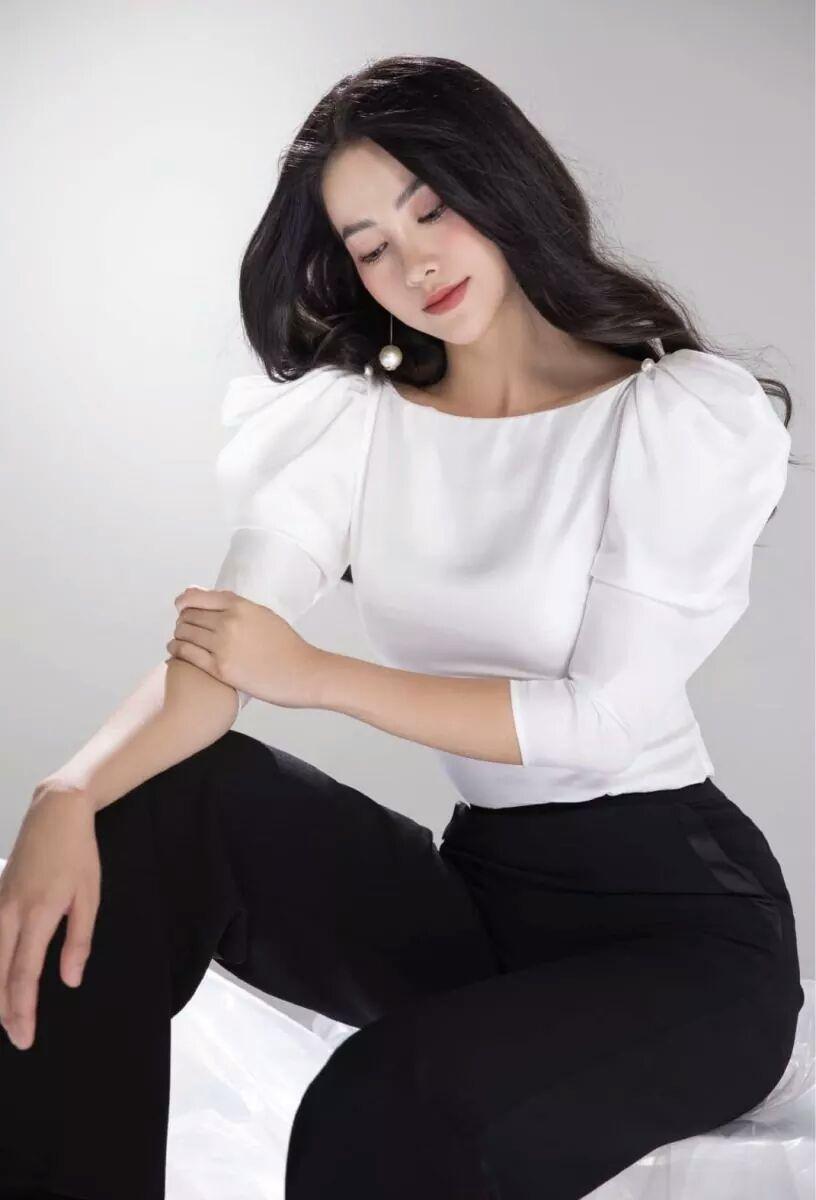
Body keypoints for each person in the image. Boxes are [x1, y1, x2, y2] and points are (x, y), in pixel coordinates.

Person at [0, 53, 804, 1200]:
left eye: (432, 208)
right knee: (158, 808)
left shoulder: (670, 418)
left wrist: (318, 675)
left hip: (682, 940)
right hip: (485, 898)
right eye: (371, 244)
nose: (415, 260)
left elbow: (601, 720)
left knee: (374, 1104)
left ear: (502, 181)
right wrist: (67, 791)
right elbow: (226, 650)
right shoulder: (353, 420)